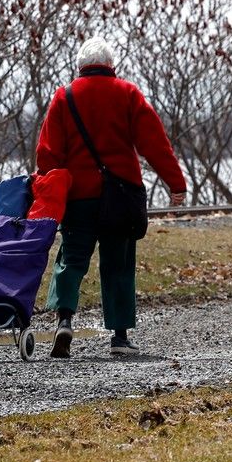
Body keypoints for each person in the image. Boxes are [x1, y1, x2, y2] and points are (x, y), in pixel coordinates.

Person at [36, 36, 187, 358]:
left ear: (80, 66)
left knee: (71, 259)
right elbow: (154, 143)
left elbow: (47, 152)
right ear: (111, 66)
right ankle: (119, 337)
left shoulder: (64, 96)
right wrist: (176, 183)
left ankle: (64, 321)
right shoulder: (128, 93)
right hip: (120, 194)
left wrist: (52, 188)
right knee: (118, 263)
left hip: (78, 195)